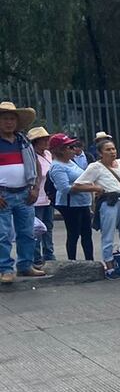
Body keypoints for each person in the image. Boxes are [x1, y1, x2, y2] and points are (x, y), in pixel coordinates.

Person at [75, 137, 120, 279]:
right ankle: (109, 266)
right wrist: (96, 188)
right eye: (108, 150)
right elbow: (78, 185)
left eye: (113, 149)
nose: (112, 152)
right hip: (109, 202)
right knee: (108, 235)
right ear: (100, 153)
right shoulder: (95, 167)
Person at [0, 101, 44, 283]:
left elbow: (36, 166)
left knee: (27, 232)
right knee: (2, 235)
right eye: (5, 119)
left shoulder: (23, 142)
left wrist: (35, 187)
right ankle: (5, 269)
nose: (9, 122)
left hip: (25, 192)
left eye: (12, 119)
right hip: (3, 195)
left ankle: (25, 265)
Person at [47, 134, 95, 261]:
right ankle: (72, 262)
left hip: (83, 202)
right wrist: (91, 188)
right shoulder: (57, 166)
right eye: (69, 147)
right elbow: (65, 189)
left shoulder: (70, 162)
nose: (73, 149)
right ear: (60, 150)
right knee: (73, 234)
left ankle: (90, 261)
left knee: (87, 234)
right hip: (70, 205)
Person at [27, 126, 55, 267]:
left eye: (46, 139)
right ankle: (36, 257)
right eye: (43, 140)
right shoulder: (31, 156)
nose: (46, 142)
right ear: (36, 142)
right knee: (37, 229)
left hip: (48, 197)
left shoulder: (48, 154)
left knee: (48, 227)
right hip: (36, 198)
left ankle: (49, 254)